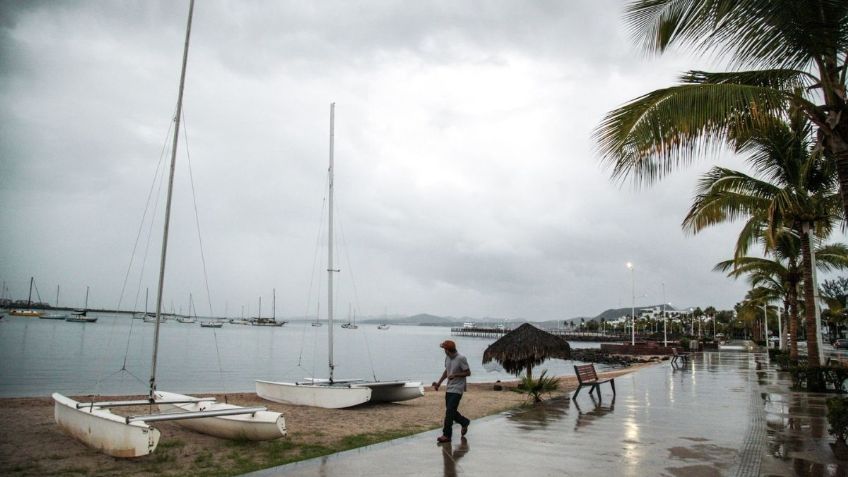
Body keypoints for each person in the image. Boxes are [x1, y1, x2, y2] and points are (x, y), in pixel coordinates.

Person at [432, 340, 471, 443]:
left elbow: (468, 372)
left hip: (458, 388)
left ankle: (446, 435)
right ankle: (464, 422)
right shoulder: (447, 358)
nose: (443, 351)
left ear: (447, 350)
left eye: (444, 349)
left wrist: (455, 375)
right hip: (449, 388)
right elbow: (447, 371)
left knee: (449, 411)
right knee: (451, 411)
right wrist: (439, 383)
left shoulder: (461, 358)